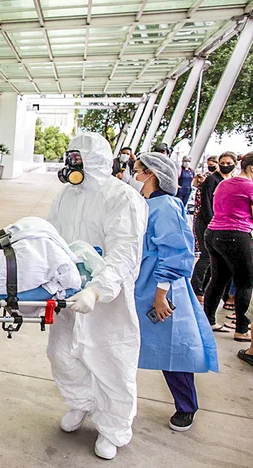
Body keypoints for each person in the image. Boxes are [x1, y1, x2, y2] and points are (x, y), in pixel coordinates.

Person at [47, 135, 148, 460]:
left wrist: (97, 289)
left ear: (94, 160)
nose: (72, 164)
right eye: (70, 156)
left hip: (107, 300)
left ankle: (112, 429)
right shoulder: (66, 196)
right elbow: (51, 236)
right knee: (62, 353)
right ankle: (81, 403)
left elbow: (124, 253)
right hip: (69, 293)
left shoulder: (122, 198)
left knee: (110, 362)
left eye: (78, 157)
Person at [131, 153, 218, 431]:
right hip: (140, 283)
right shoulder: (146, 204)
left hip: (160, 287)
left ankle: (186, 406)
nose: (134, 175)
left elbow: (176, 251)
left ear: (151, 174)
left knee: (173, 350)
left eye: (137, 170)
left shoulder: (165, 205)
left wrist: (161, 294)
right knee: (127, 343)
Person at [203, 151, 253, 343]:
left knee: (218, 279)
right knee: (245, 283)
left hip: (214, 233)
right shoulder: (249, 186)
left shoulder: (224, 183)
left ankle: (208, 320)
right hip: (236, 235)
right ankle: (241, 328)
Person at [190, 152, 237, 303]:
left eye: (228, 163)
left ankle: (204, 288)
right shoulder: (212, 179)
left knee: (215, 258)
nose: (225, 166)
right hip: (207, 223)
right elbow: (206, 204)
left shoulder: (231, 181)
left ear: (234, 164)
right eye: (222, 163)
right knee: (206, 256)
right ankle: (196, 288)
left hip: (222, 224)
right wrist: (213, 223)